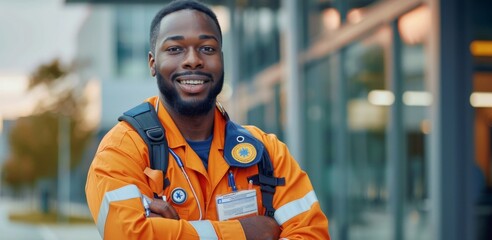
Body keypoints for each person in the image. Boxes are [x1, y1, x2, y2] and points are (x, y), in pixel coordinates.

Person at [84, 1, 330, 239]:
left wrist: (174, 232)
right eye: (175, 49)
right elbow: (129, 235)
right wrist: (246, 232)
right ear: (153, 63)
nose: (193, 59)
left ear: (221, 60)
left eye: (207, 48)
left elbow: (313, 234)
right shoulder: (121, 150)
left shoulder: (268, 153)